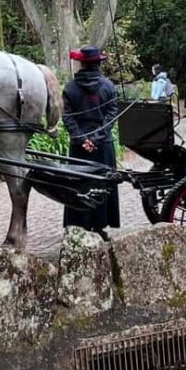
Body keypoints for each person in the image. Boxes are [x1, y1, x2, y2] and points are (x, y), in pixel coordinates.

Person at [62, 46, 120, 239]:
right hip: (103, 144)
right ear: (98, 63)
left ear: (82, 63)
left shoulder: (70, 88)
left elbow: (67, 117)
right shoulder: (109, 87)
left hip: (79, 146)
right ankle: (100, 225)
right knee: (102, 183)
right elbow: (111, 116)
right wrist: (96, 138)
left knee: (79, 183)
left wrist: (82, 139)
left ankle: (78, 225)